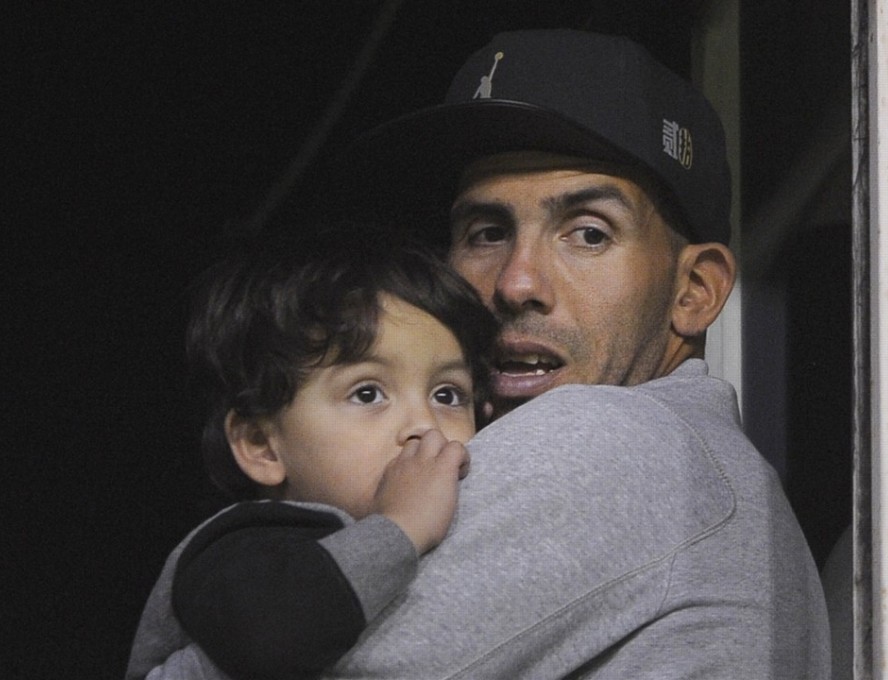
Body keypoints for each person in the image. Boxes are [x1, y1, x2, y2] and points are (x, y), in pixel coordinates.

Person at [140, 28, 831, 679]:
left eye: (588, 233)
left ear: (694, 290)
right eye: (484, 231)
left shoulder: (614, 440)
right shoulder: (716, 472)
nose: (516, 283)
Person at [124, 230, 498, 680]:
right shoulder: (238, 546)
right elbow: (271, 639)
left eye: (447, 394)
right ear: (262, 446)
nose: (424, 424)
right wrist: (401, 527)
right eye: (367, 394)